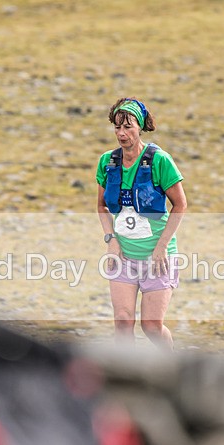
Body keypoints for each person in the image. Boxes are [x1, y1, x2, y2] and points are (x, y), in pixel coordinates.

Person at [96, 98, 187, 350]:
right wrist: (110, 239)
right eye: (117, 127)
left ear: (140, 127)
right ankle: (125, 377)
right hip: (123, 257)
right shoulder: (107, 162)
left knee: (151, 326)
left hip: (157, 258)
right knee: (123, 322)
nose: (122, 134)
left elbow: (180, 205)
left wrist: (162, 247)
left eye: (128, 127)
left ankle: (169, 368)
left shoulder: (160, 161)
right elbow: (101, 207)